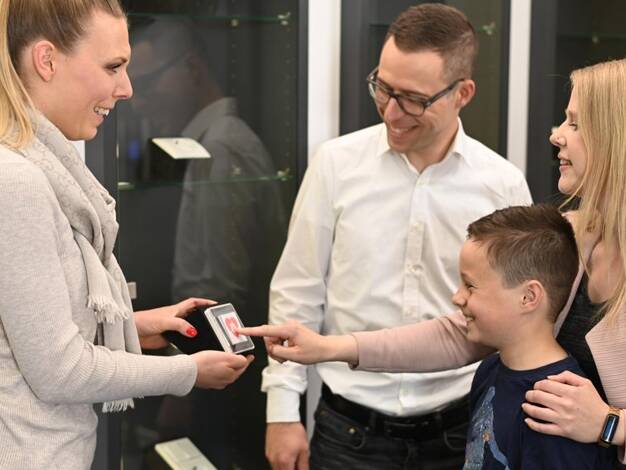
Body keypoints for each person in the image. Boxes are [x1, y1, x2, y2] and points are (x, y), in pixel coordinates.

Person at [243, 59, 626, 466]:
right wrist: (329, 347)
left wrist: (609, 425)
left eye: (575, 124)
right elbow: (465, 335)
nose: (556, 135)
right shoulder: (572, 236)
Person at [260, 3, 532, 469]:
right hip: (349, 434)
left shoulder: (502, 185)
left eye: (413, 99)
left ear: (463, 93)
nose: (391, 111)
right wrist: (282, 412)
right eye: (383, 88)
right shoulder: (335, 164)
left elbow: (516, 324)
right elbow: (297, 291)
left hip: (461, 432)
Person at [0, 1, 253, 468]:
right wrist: (186, 372)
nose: (127, 89)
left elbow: (31, 333)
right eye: (113, 67)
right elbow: (60, 371)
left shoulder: (34, 169)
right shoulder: (17, 181)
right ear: (47, 61)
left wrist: (137, 324)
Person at [242, 204, 616, 468]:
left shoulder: (556, 407)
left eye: (470, 286)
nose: (457, 298)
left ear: (528, 297)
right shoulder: (489, 370)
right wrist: (326, 347)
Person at [127, 19, 287, 468]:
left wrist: (185, 387)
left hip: (221, 371)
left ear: (191, 68)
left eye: (147, 83)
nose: (136, 98)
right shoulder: (212, 142)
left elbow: (221, 285)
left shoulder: (222, 145)